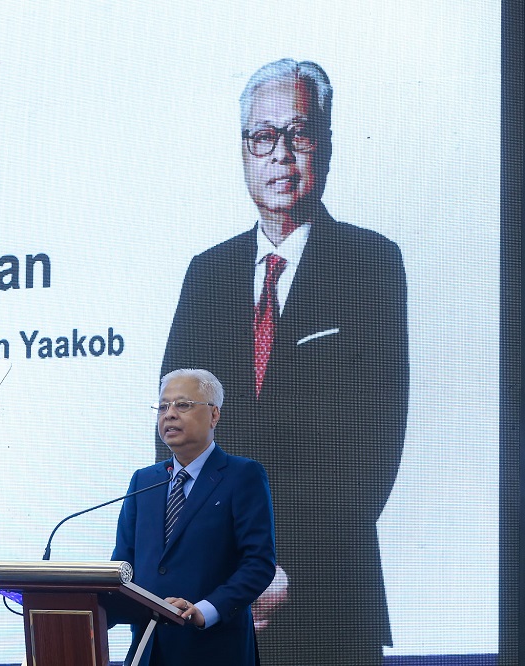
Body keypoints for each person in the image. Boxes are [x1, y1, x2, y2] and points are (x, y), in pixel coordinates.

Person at [159, 58, 408, 665]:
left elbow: (371, 447)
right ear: (245, 150)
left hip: (324, 601)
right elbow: (173, 428)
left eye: (298, 134)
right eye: (263, 137)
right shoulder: (207, 273)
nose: (281, 154)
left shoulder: (371, 263)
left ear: (325, 144)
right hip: (211, 605)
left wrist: (273, 569)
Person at [113, 368, 276, 666]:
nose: (169, 414)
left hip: (215, 649)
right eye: (163, 407)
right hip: (148, 650)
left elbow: (258, 563)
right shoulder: (144, 481)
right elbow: (123, 564)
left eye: (183, 405)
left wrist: (205, 609)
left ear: (214, 415)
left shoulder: (242, 475)